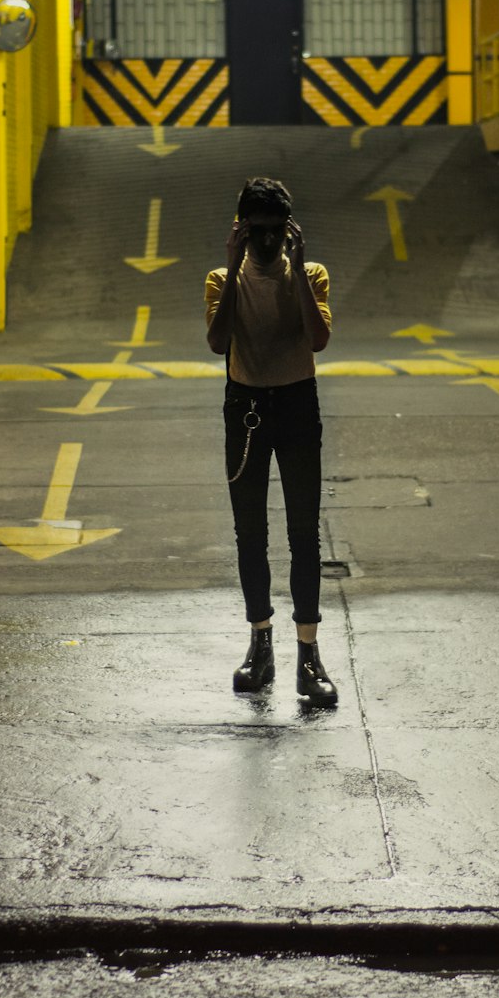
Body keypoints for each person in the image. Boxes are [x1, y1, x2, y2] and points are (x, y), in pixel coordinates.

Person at [205, 176, 338, 708]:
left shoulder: (311, 273)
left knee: (305, 532)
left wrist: (299, 267)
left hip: (298, 404)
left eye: (276, 232)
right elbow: (218, 342)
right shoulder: (221, 278)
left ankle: (309, 654)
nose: (268, 243)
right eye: (256, 232)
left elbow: (318, 338)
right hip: (246, 407)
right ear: (241, 230)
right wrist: (236, 264)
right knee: (249, 532)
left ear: (289, 229)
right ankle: (260, 644)